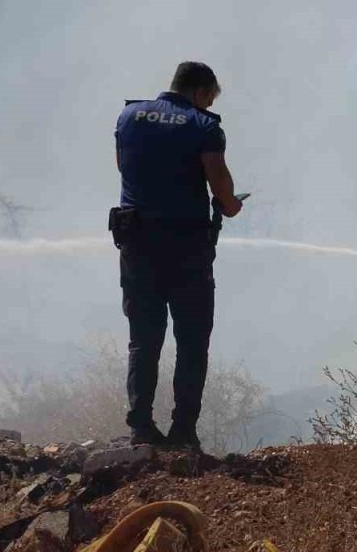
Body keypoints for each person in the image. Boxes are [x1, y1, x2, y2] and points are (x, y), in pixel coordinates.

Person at [112, 61, 243, 449]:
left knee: (144, 339)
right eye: (209, 97)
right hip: (187, 247)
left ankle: (140, 429)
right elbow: (219, 183)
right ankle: (183, 431)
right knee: (191, 339)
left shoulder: (129, 115)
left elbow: (124, 167)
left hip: (136, 243)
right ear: (201, 92)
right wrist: (232, 205)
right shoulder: (204, 125)